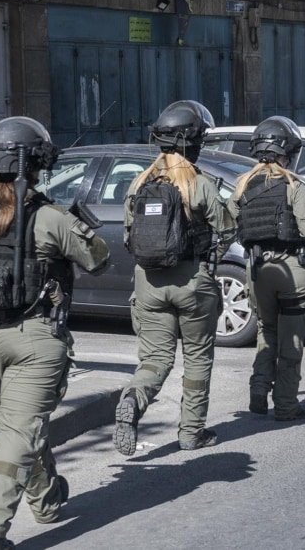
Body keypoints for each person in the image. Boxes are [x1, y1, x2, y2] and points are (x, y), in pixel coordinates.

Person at [0, 117, 109, 550]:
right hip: (35, 340)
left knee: (19, 424)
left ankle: (46, 501)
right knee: (19, 433)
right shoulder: (47, 217)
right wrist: (80, 224)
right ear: (38, 166)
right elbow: (98, 259)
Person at [114, 100, 235, 455]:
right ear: (192, 142)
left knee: (155, 360)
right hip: (192, 281)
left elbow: (127, 237)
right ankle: (191, 433)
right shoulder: (198, 183)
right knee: (197, 358)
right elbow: (226, 228)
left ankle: (133, 400)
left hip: (148, 282)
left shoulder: (139, 183)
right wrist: (211, 255)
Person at [229, 117, 305, 421]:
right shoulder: (292, 184)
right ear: (287, 152)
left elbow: (227, 222)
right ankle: (285, 404)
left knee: (266, 330)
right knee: (291, 338)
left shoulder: (242, 183)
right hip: (291, 269)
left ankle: (259, 389)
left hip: (257, 270)